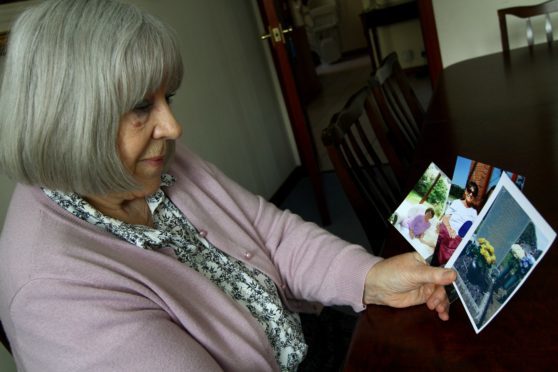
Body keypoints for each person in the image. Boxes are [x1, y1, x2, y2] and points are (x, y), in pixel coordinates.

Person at [0, 1, 456, 371]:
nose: (173, 126)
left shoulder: (149, 164)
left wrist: (370, 278)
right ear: (68, 122)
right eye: (142, 106)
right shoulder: (51, 293)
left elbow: (273, 235)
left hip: (307, 334)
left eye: (168, 98)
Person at [432, 182, 479, 266]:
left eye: (474, 193)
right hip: (448, 231)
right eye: (469, 190)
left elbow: (471, 232)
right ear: (465, 191)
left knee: (454, 242)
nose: (471, 194)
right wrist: (450, 229)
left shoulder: (474, 213)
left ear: (475, 197)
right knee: (444, 236)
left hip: (457, 239)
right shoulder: (457, 203)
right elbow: (445, 218)